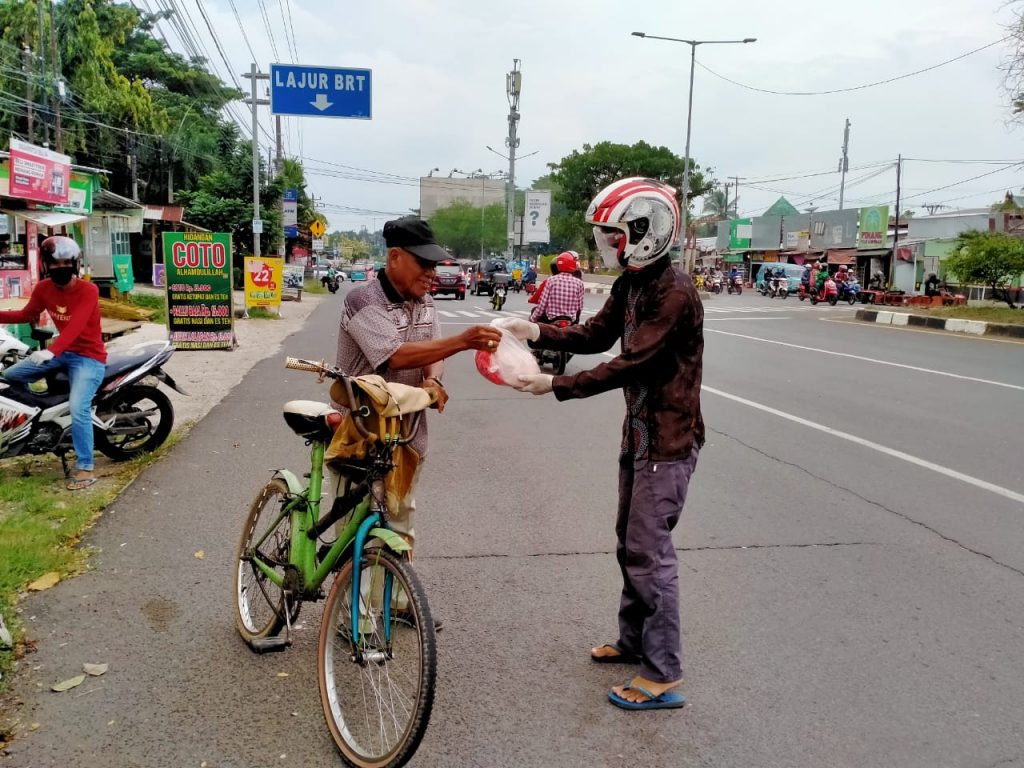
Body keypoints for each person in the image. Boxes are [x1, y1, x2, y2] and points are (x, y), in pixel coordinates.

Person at [498, 177, 704, 712]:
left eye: (615, 236)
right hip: (639, 437)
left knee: (649, 554)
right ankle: (633, 641)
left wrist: (555, 385)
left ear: (646, 232)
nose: (608, 246)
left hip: (668, 441)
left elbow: (632, 361)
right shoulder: (632, 283)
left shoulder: (674, 292)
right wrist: (536, 333)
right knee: (628, 543)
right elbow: (596, 336)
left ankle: (662, 672)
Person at [331, 217, 501, 554]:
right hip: (360, 434)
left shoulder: (425, 302)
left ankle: (396, 601)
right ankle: (355, 604)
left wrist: (434, 378)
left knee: (400, 520)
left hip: (406, 435)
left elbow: (432, 349)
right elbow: (394, 356)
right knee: (355, 533)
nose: (432, 273)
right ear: (395, 257)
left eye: (434, 264)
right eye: (424, 263)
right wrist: (465, 340)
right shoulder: (363, 300)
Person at [0, 236, 107, 490]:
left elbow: (77, 325)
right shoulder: (44, 288)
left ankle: (85, 467)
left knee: (78, 406)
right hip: (62, 354)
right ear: (46, 265)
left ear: (75, 263)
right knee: (11, 377)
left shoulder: (88, 290)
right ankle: (37, 424)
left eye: (66, 263)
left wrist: (53, 351)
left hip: (89, 357)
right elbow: (26, 314)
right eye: (55, 263)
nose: (61, 267)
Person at [529, 251, 584, 324]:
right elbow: (580, 307)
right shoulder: (579, 283)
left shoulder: (551, 280)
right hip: (570, 320)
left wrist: (532, 320)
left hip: (551, 319)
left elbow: (542, 304)